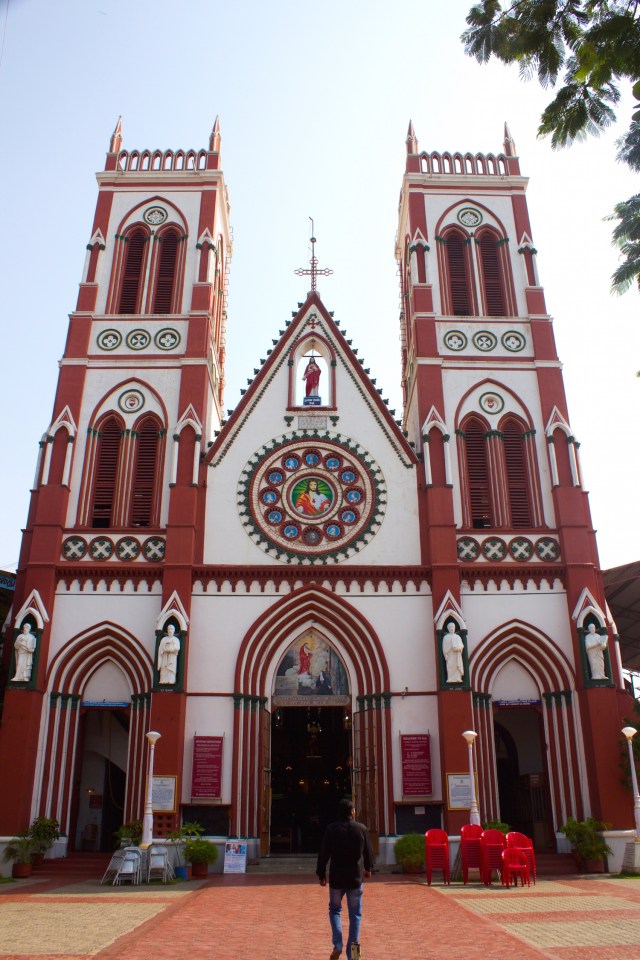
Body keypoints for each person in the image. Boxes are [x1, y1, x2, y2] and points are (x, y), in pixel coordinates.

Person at [316, 798, 375, 960]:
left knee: (335, 910)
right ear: (352, 812)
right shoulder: (361, 829)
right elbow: (368, 851)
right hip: (355, 878)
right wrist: (368, 868)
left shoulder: (331, 829)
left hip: (337, 878)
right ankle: (354, 954)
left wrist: (321, 873)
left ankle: (337, 945)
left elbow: (324, 853)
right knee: (355, 915)